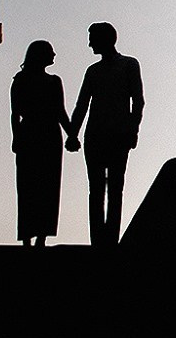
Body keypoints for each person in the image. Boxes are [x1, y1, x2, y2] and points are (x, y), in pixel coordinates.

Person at [67, 21, 144, 249]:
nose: (90, 43)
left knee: (115, 189)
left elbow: (137, 101)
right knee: (96, 189)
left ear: (106, 39)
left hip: (118, 135)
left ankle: (110, 239)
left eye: (93, 38)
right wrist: (73, 134)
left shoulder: (129, 65)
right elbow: (81, 105)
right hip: (96, 136)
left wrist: (133, 129)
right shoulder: (93, 71)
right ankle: (98, 240)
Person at [9, 40, 71, 247]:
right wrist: (72, 134)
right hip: (41, 136)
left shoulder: (34, 80)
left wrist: (72, 134)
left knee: (41, 186)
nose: (54, 55)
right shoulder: (36, 81)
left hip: (38, 136)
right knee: (33, 186)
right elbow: (16, 113)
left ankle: (37, 236)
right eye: (50, 52)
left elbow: (16, 115)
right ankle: (32, 236)